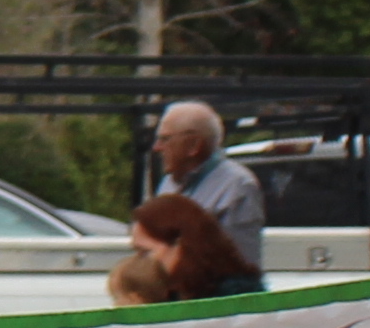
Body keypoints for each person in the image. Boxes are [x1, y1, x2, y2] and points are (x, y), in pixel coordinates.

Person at [147, 101, 270, 279]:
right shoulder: (169, 183)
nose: (156, 147)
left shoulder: (237, 186)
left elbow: (240, 268)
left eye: (165, 139)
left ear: (194, 145)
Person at [107, 191, 256, 306]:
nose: (137, 262)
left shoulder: (238, 302)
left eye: (145, 252)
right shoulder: (167, 296)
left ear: (181, 246)